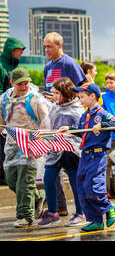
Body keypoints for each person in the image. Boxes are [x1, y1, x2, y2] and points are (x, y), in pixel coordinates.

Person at [59, 82, 115, 231]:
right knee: (81, 185)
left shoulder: (102, 114)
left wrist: (103, 125)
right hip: (85, 155)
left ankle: (108, 206)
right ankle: (95, 220)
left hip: (97, 155)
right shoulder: (85, 115)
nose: (80, 100)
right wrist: (69, 129)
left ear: (92, 96)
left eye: (82, 97)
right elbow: (82, 130)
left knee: (93, 185)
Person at [0, 68, 49, 228]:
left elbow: (45, 120)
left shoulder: (36, 99)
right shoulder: (5, 99)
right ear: (13, 83)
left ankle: (25, 216)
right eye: (20, 83)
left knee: (25, 181)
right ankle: (38, 196)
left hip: (29, 144)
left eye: (26, 83)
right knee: (11, 180)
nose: (24, 86)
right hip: (12, 144)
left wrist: (41, 139)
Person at [36, 77, 86, 228]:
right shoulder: (54, 107)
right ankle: (52, 214)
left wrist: (70, 133)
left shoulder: (77, 108)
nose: (54, 96)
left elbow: (82, 131)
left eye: (57, 93)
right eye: (53, 93)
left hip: (71, 151)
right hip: (54, 148)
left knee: (74, 182)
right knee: (48, 178)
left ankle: (80, 213)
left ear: (66, 92)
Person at [0, 37, 26, 186]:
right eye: (19, 50)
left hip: (14, 110)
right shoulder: (1, 66)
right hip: (3, 109)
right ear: (11, 50)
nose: (21, 53)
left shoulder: (15, 65)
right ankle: (3, 175)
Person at [43, 32, 87, 100]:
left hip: (69, 109)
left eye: (49, 46)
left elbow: (84, 88)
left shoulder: (70, 63)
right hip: (52, 109)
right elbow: (46, 90)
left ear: (60, 45)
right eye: (45, 47)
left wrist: (62, 98)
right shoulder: (47, 67)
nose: (46, 50)